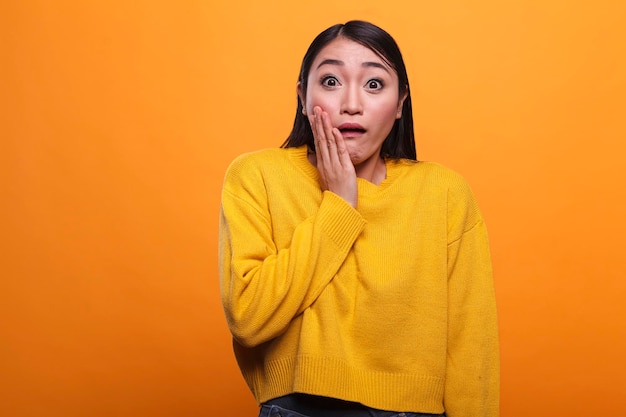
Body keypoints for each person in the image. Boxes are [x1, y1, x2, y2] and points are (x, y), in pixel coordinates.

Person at [219, 20, 499, 417]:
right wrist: (339, 206)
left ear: (401, 102)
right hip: (296, 408)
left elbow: (473, 347)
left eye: (374, 84)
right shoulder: (257, 176)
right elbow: (248, 317)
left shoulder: (444, 193)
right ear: (303, 96)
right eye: (331, 81)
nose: (351, 103)